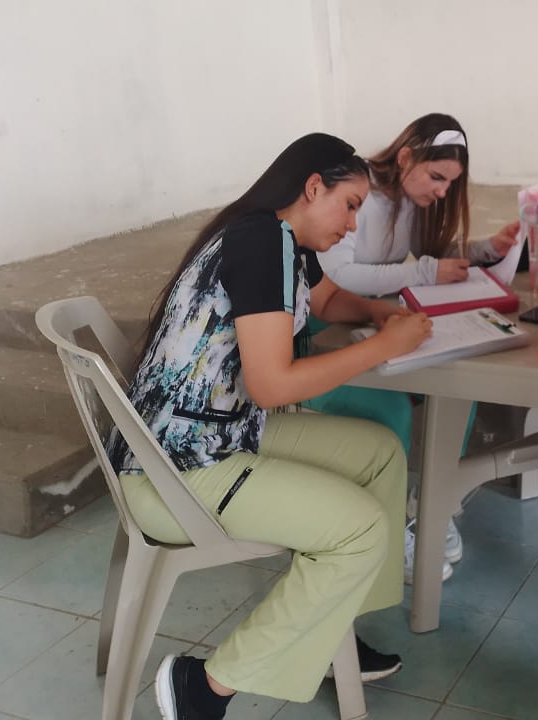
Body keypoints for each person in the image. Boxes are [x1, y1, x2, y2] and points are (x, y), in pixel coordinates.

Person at [106, 133, 433, 720]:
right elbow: (273, 386)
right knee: (360, 530)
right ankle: (206, 687)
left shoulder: (282, 238)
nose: (352, 225)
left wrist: (382, 313)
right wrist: (385, 345)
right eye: (350, 205)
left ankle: (332, 627)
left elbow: (326, 301)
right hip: (171, 469)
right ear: (313, 187)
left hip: (211, 435)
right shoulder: (261, 242)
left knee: (381, 453)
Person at [311, 113, 519, 581]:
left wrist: (487, 249)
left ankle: (431, 503)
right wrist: (422, 272)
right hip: (330, 322)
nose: (442, 191)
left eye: (450, 183)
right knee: (391, 408)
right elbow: (336, 276)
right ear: (406, 157)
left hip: (377, 318)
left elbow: (434, 254)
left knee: (460, 386)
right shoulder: (358, 193)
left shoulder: (408, 197)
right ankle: (386, 527)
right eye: (437, 177)